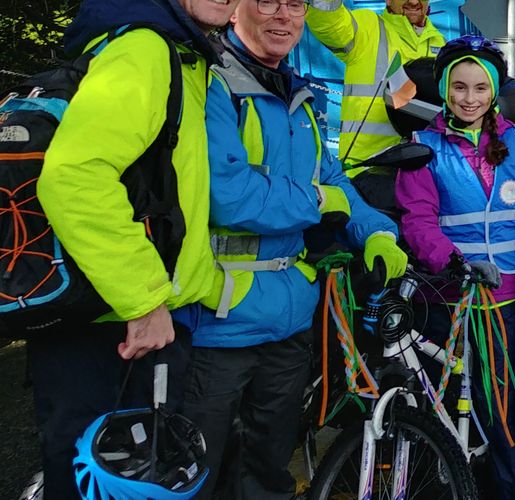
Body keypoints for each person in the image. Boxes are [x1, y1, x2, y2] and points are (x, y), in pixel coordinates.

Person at [179, 1, 407, 496]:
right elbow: (228, 194)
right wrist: (320, 202)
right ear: (234, 11)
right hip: (218, 319)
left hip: (289, 322)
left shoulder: (300, 95)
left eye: (295, 5)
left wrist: (377, 232)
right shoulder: (212, 83)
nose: (283, 16)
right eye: (266, 2)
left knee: (266, 472)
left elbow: (334, 179)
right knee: (194, 476)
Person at [30, 0, 232, 498]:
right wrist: (144, 301)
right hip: (117, 328)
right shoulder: (145, 49)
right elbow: (73, 178)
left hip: (114, 315)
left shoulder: (174, 50)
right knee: (107, 484)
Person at [396, 37, 515, 496]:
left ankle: (505, 490)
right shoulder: (423, 147)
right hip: (452, 300)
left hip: (511, 301)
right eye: (459, 87)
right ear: (444, 89)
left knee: (505, 413)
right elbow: (418, 222)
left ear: (494, 91)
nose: (470, 98)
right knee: (447, 410)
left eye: (481, 88)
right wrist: (456, 263)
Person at [306, 0, 445, 165]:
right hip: (367, 165)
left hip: (422, 165)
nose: (414, 1)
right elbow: (329, 23)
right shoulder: (368, 26)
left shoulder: (440, 43)